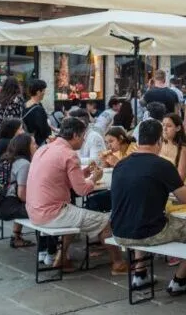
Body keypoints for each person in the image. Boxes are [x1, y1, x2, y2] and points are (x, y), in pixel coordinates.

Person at [111, 118, 186, 294]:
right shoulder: (162, 165)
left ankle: (140, 274)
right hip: (149, 232)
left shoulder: (121, 164)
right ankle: (179, 280)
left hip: (119, 231)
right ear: (159, 140)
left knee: (140, 216)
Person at [26, 117, 123, 273]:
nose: (84, 140)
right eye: (83, 136)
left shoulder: (44, 149)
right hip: (52, 213)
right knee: (105, 222)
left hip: (34, 210)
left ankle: (61, 259)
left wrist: (83, 172)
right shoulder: (69, 154)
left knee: (73, 214)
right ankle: (118, 263)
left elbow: (60, 176)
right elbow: (82, 191)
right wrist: (94, 178)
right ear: (76, 136)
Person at [0, 133, 36, 248]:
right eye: (34, 143)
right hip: (9, 207)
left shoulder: (6, 158)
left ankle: (16, 237)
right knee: (44, 211)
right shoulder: (24, 164)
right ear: (25, 147)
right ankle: (47, 250)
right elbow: (21, 195)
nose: (37, 146)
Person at [160, 112, 186, 181]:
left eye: (169, 126)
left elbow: (180, 178)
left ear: (178, 128)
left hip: (177, 187)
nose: (164, 128)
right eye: (163, 125)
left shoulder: (183, 149)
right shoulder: (159, 143)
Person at [22, 79, 53, 146]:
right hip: (38, 143)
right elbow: (44, 130)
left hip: (27, 141)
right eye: (44, 90)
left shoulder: (24, 104)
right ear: (38, 92)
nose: (44, 93)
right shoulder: (38, 109)